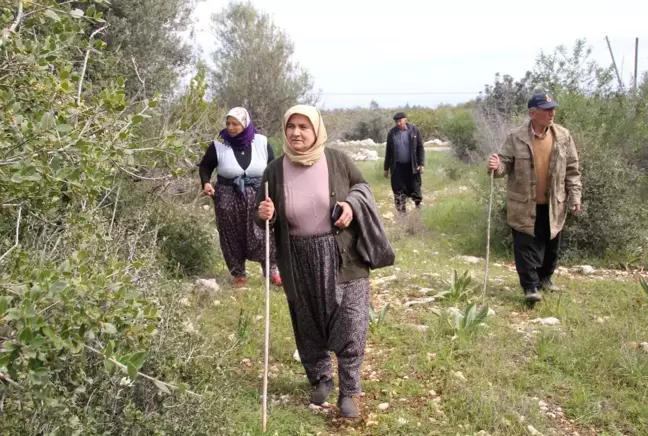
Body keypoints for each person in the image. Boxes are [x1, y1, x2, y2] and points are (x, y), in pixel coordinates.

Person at [256, 105, 393, 419]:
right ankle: (320, 378)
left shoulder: (337, 160)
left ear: (316, 129)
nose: (296, 133)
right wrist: (266, 214)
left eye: (304, 126)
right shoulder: (274, 170)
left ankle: (348, 391)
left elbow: (363, 188)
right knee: (307, 321)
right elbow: (261, 212)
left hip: (343, 254)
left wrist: (350, 205)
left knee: (350, 322)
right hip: (298, 257)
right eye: (291, 126)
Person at [486, 93, 582, 305]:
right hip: (523, 204)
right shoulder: (516, 136)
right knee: (525, 247)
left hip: (553, 204)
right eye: (546, 110)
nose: (552, 113)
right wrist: (496, 166)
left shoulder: (563, 136)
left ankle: (545, 279)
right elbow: (504, 164)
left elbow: (572, 170)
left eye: (553, 109)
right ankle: (530, 287)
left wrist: (575, 195)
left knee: (551, 245)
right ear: (532, 113)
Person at [198, 107, 282, 288]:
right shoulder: (219, 145)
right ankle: (238, 274)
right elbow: (205, 167)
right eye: (228, 123)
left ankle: (271, 271)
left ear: (245, 124)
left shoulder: (261, 142)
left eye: (235, 124)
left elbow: (273, 167)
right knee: (231, 235)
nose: (231, 127)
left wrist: (275, 193)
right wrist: (206, 183)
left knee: (264, 233)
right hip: (227, 196)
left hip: (258, 194)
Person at [383, 112, 425, 214]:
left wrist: (421, 164)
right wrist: (386, 168)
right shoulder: (392, 133)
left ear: (405, 120)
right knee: (398, 189)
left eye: (400, 121)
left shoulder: (414, 130)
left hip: (412, 166)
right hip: (397, 167)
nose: (398, 123)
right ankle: (402, 214)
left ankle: (418, 208)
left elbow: (420, 148)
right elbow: (388, 151)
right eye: (396, 121)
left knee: (415, 187)